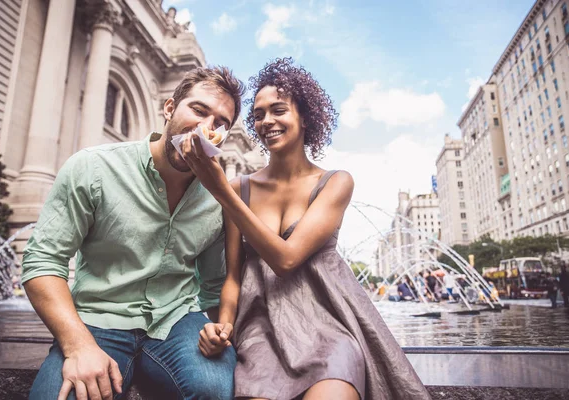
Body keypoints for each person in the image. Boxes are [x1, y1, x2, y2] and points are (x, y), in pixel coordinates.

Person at [181, 58, 430, 400]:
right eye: (258, 114)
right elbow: (233, 277)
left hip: (326, 327)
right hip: (260, 330)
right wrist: (223, 325)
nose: (266, 120)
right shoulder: (241, 188)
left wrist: (221, 190)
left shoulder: (336, 183)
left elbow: (286, 259)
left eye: (278, 110)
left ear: (305, 117)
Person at [21, 66, 244, 400]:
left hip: (178, 320)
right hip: (97, 321)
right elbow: (42, 261)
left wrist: (218, 330)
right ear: (169, 108)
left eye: (220, 123)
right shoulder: (92, 167)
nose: (205, 128)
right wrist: (78, 345)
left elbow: (214, 285)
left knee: (213, 388)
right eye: (198, 110)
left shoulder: (218, 197)